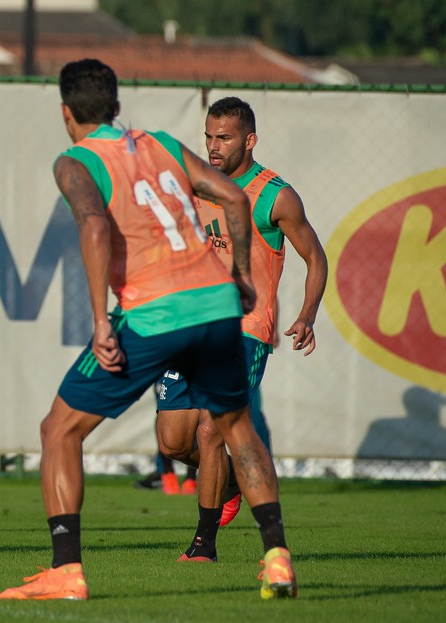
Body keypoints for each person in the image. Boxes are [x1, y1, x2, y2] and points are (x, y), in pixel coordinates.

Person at [0, 59, 296, 602]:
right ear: (116, 106)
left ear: (66, 113)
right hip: (215, 305)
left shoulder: (75, 162)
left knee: (59, 430)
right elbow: (233, 197)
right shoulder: (159, 142)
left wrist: (97, 321)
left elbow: (92, 224)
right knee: (235, 428)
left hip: (154, 312)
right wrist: (243, 277)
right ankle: (276, 557)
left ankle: (66, 571)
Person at [155, 96, 327, 563]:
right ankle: (230, 480)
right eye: (208, 136)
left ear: (249, 140)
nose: (213, 146)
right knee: (171, 440)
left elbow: (316, 257)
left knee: (212, 429)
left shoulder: (276, 195)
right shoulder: (193, 186)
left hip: (245, 331)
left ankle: (203, 543)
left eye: (224, 138)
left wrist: (307, 313)